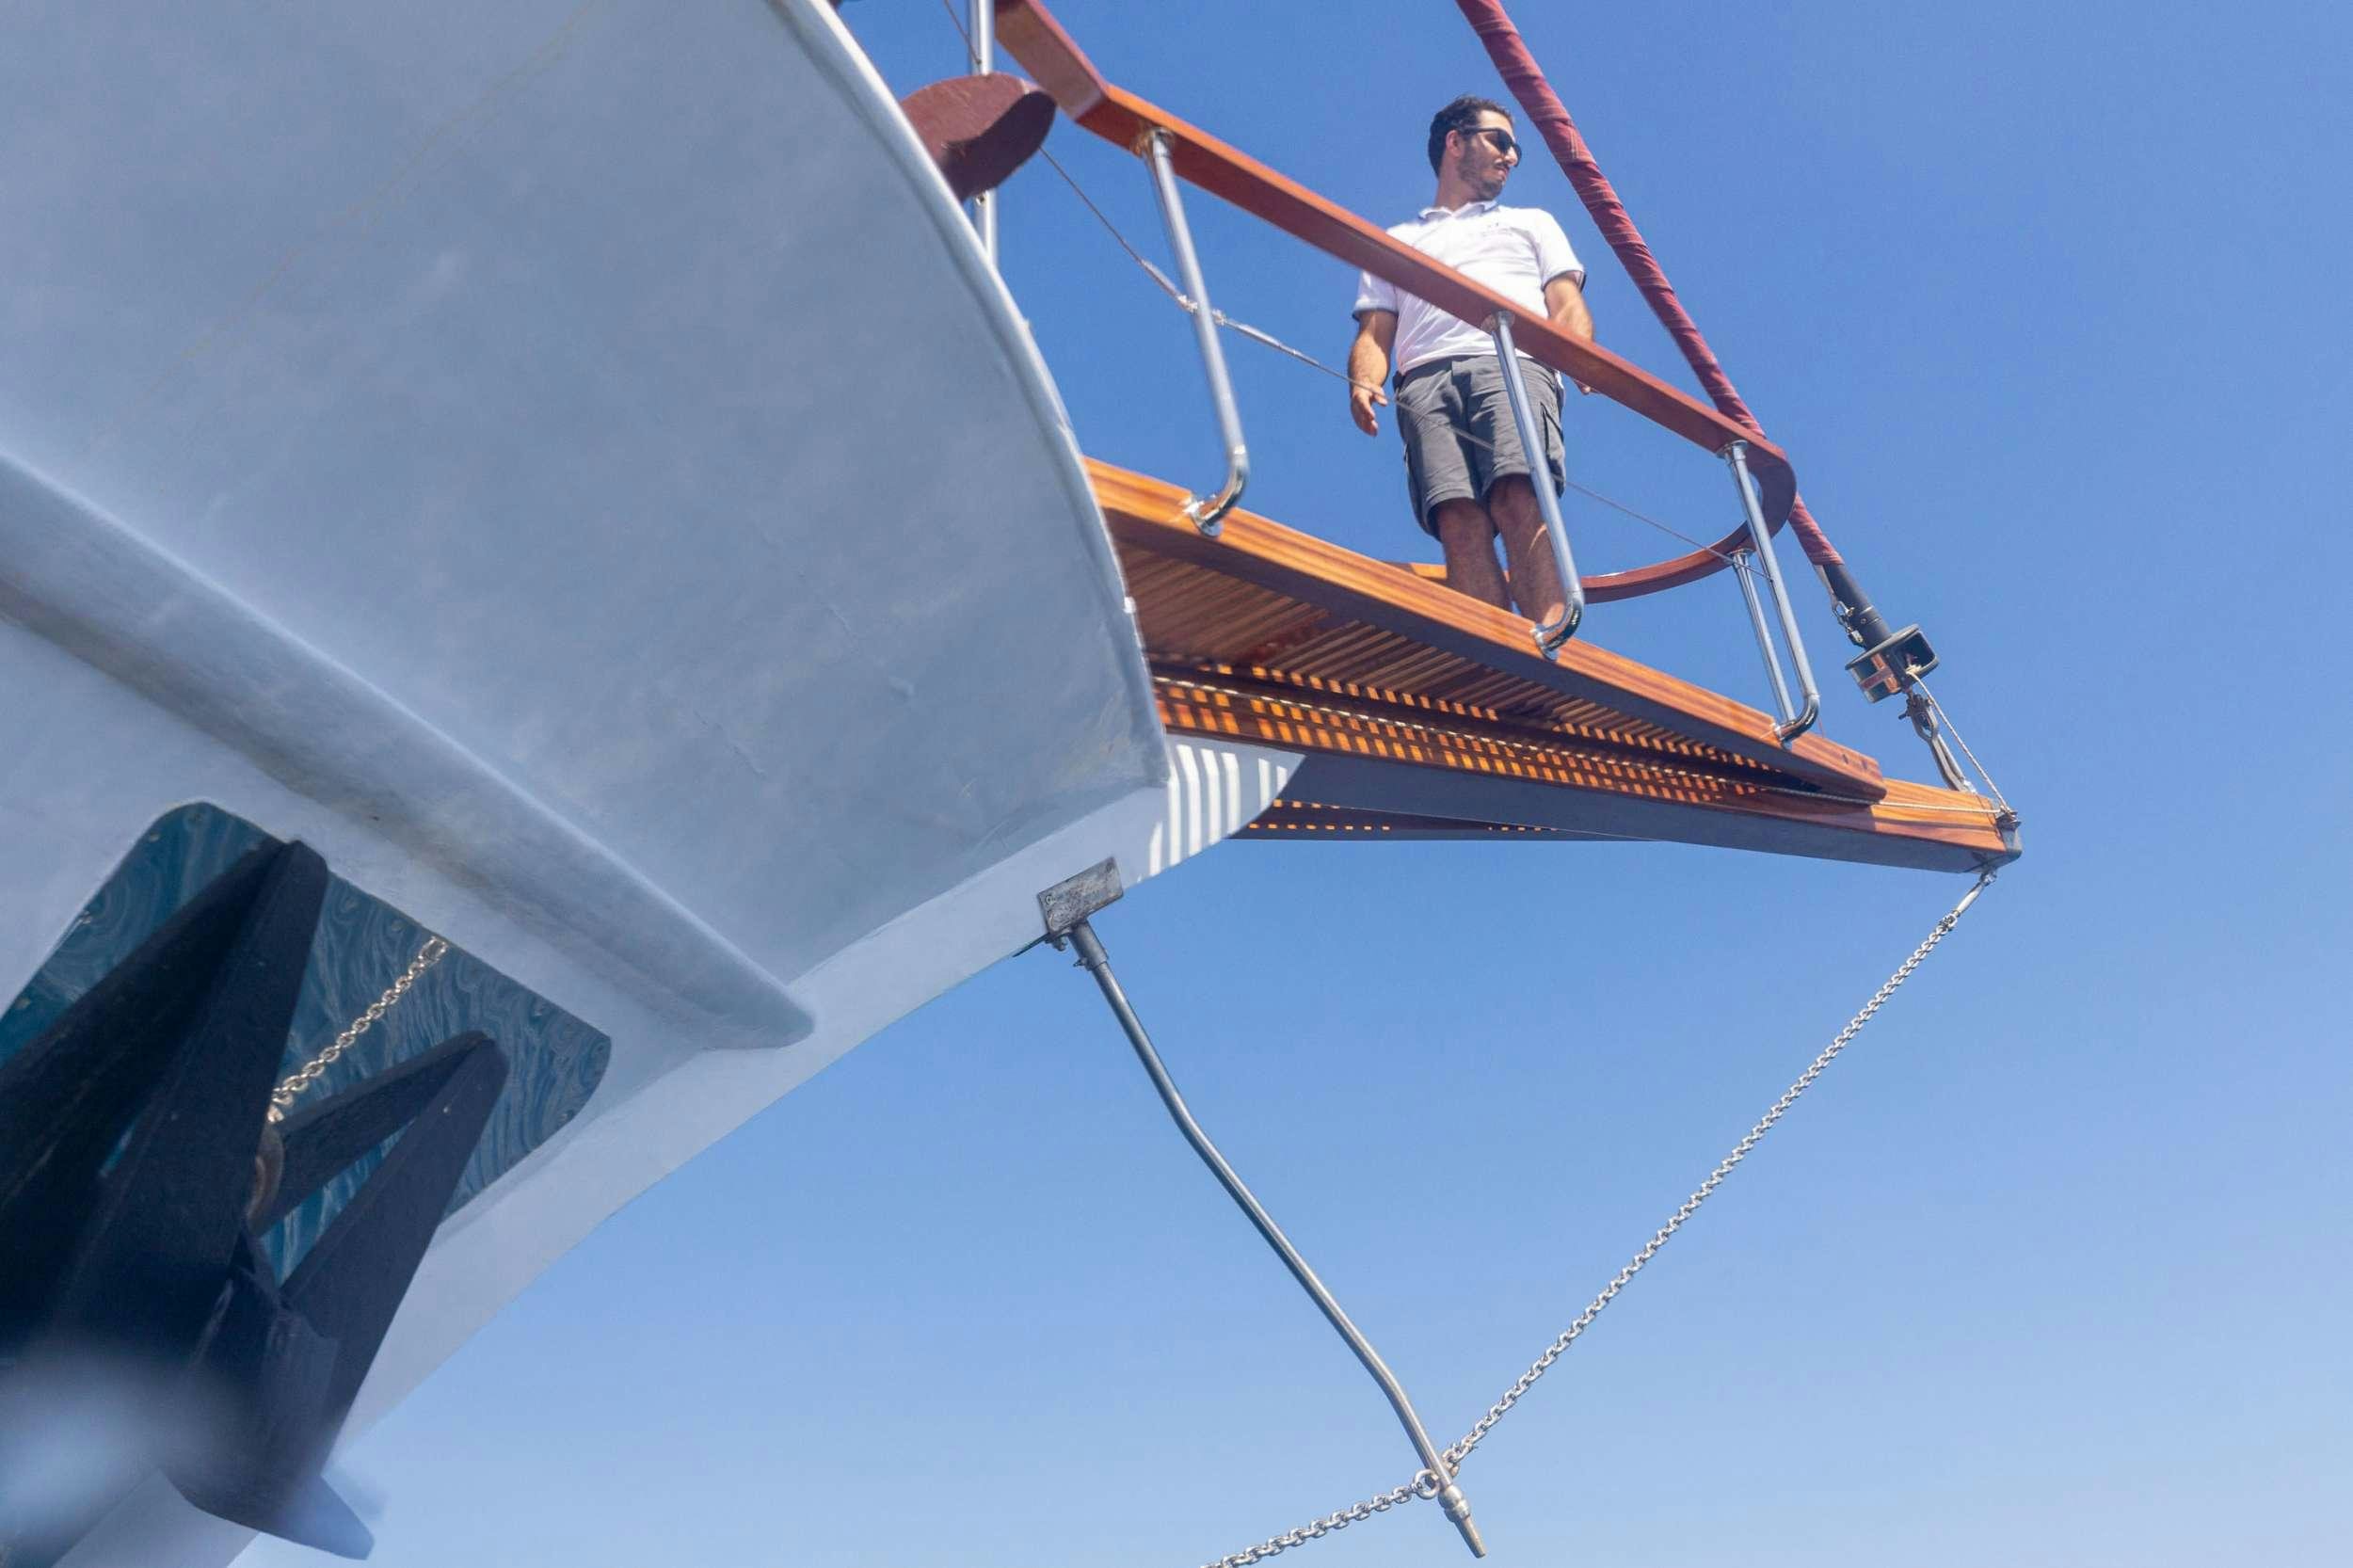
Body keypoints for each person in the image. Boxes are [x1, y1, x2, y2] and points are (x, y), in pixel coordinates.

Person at [1346, 96, 1593, 623]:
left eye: (1516, 149)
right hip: (1424, 380)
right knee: (1456, 517)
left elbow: (1566, 301)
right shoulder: (1398, 240)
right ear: (1455, 142)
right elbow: (1375, 330)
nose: (1511, 157)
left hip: (1509, 362)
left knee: (1518, 495)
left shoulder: (1532, 223)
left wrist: (1578, 354)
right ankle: (1496, 662)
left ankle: (1552, 651)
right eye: (1500, 141)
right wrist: (1364, 381)